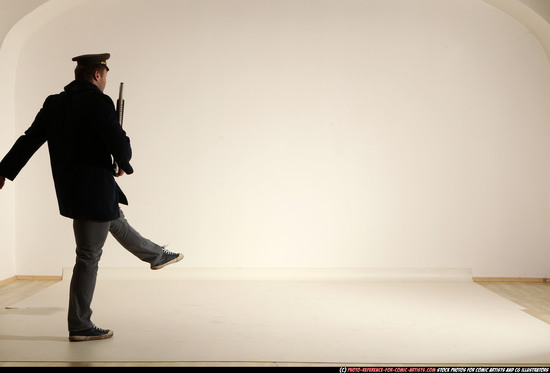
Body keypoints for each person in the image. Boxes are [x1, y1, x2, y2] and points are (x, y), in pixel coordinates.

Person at [0, 53, 183, 342]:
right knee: (88, 256)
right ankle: (80, 325)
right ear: (97, 75)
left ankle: (156, 256)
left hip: (74, 188)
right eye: (105, 76)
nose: (106, 81)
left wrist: (4, 171)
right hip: (93, 189)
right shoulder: (99, 101)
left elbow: (29, 139)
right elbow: (117, 139)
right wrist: (124, 160)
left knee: (116, 222)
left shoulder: (54, 103)